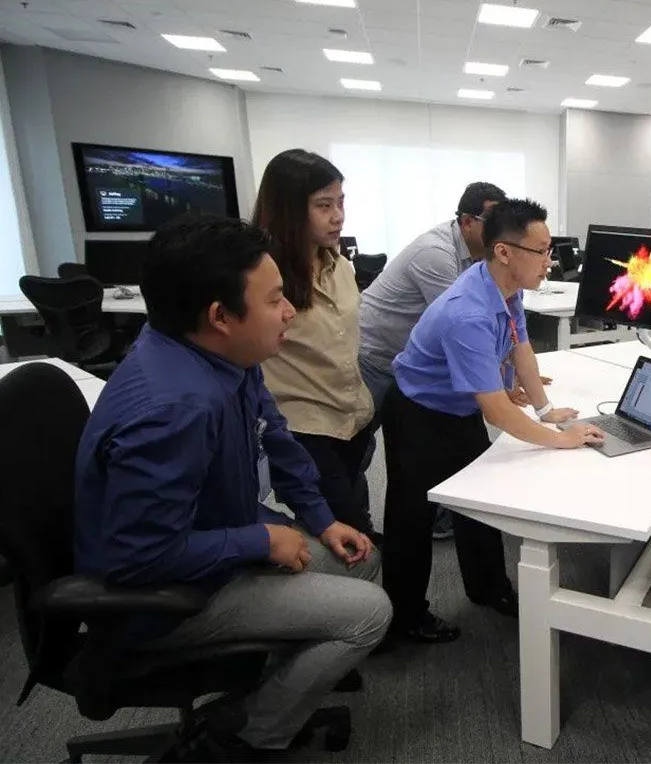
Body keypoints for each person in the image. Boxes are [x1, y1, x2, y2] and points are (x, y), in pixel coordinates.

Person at [74, 215, 391, 756]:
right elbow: (137, 558)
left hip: (212, 533)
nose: (289, 311)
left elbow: (277, 436)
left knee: (360, 559)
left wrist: (321, 519)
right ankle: (244, 736)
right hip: (161, 598)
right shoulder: (175, 409)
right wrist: (260, 541)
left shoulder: (221, 354)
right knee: (370, 613)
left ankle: (270, 685)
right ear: (220, 316)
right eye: (274, 300)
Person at [382, 198, 604, 643]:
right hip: (418, 412)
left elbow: (521, 348)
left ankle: (488, 588)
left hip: (457, 407)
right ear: (504, 252)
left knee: (479, 502)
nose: (549, 261)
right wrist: (562, 439)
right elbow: (498, 411)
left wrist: (545, 410)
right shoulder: (467, 312)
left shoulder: (506, 288)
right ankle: (404, 618)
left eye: (549, 249)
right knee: (412, 517)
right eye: (540, 251)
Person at [358, 182, 508, 541]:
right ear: (467, 221)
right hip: (376, 356)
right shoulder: (436, 254)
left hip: (407, 360)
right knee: (358, 448)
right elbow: (465, 329)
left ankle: (439, 517)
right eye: (493, 221)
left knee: (435, 448)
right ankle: (354, 530)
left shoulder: (479, 257)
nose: (501, 231)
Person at [253, 149, 377, 538]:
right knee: (348, 534)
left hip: (352, 417)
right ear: (289, 210)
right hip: (306, 428)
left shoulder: (339, 264)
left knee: (357, 516)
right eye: (324, 205)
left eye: (341, 202)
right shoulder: (262, 277)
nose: (338, 216)